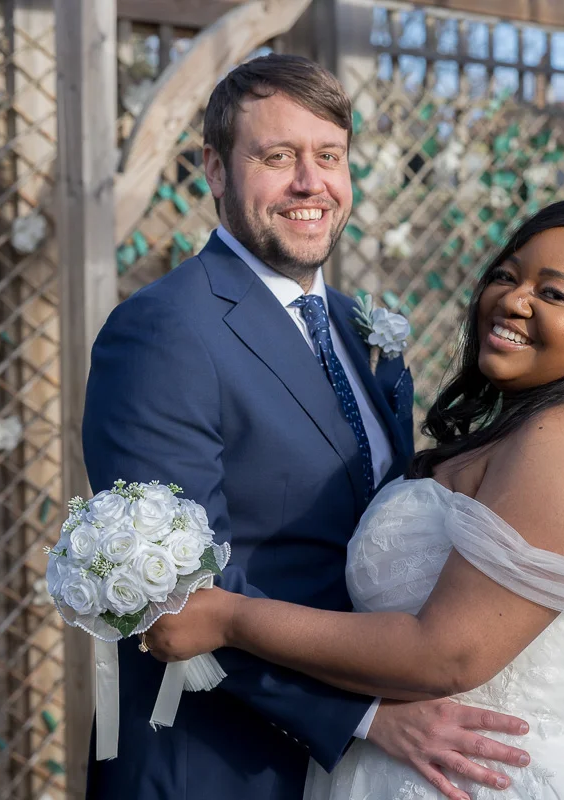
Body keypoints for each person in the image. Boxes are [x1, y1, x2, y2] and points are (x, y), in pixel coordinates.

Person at [144, 198, 564, 800]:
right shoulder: (533, 428)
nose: (513, 300)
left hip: (486, 779)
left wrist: (228, 618)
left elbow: (448, 654)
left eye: (553, 293)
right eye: (505, 274)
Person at [81, 54, 530, 800]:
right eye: (278, 157)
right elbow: (175, 593)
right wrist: (361, 714)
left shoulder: (359, 330)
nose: (309, 183)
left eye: (329, 157)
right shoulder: (163, 331)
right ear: (216, 171)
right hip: (216, 757)